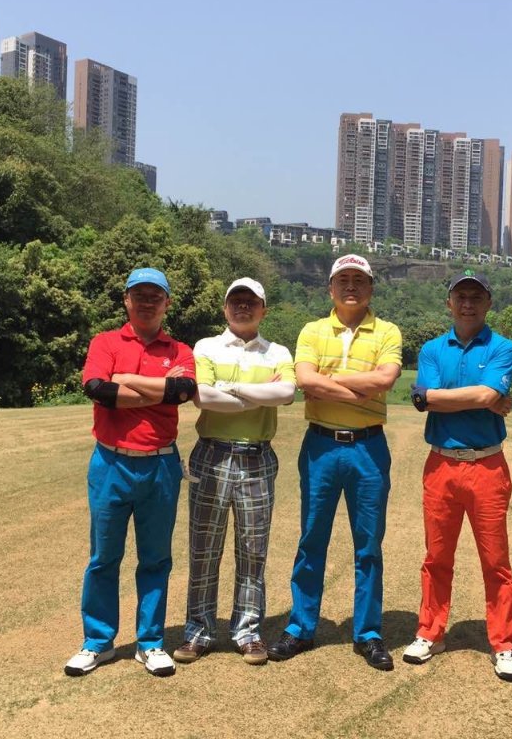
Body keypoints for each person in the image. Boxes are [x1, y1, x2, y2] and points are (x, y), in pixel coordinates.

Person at [267, 254, 402, 671]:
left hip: (368, 448)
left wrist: (328, 383)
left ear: (371, 288)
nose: (351, 286)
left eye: (359, 280)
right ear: (330, 288)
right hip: (321, 446)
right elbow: (304, 379)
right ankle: (301, 626)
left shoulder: (387, 331)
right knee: (312, 539)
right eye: (343, 279)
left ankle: (368, 633)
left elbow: (385, 379)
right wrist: (360, 392)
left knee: (369, 545)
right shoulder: (312, 330)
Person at [63, 267, 197, 678]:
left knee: (155, 558)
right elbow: (96, 390)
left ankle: (150, 642)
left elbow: (183, 392)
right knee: (104, 557)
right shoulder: (105, 342)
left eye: (155, 296)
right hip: (111, 463)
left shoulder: (180, 350)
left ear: (167, 303)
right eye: (139, 295)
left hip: (160, 463)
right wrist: (158, 390)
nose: (147, 302)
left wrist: (126, 381)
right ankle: (98, 642)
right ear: (126, 299)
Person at [403, 269, 512, 682]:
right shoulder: (433, 349)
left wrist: (438, 397)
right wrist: (482, 398)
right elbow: (442, 401)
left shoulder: (503, 347)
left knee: (495, 560)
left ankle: (503, 643)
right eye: (461, 296)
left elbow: (477, 395)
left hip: (487, 465)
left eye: (476, 297)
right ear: (449, 303)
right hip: (441, 464)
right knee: (437, 557)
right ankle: (430, 632)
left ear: (488, 303)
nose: (467, 303)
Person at [172, 278, 296, 666]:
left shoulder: (277, 351)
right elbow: (203, 397)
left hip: (257, 457)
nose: (243, 307)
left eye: (251, 301)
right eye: (235, 301)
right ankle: (199, 630)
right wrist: (256, 394)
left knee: (253, 550)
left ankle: (248, 632)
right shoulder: (206, 347)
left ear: (264, 310)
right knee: (204, 548)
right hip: (212, 454)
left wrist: (231, 388)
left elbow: (286, 393)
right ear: (225, 308)